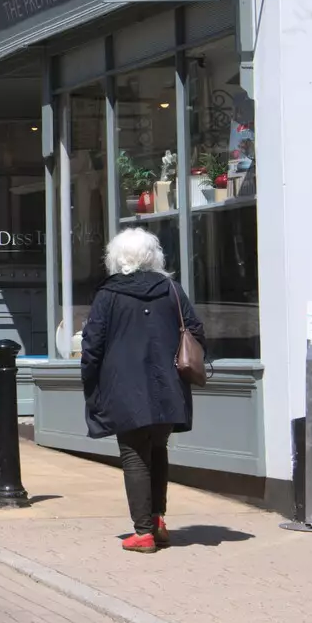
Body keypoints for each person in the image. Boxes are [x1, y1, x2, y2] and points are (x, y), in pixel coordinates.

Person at [80, 227, 205, 554]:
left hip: (125, 388)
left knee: (134, 454)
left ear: (117, 257)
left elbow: (91, 346)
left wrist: (91, 386)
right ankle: (157, 519)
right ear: (153, 256)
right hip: (168, 387)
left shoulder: (109, 295)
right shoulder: (172, 289)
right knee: (158, 448)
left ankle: (143, 532)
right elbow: (195, 332)